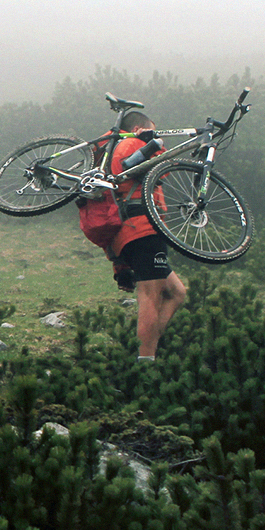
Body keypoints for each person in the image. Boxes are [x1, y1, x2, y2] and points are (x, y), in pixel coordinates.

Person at [75, 109, 187, 360]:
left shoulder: (106, 151)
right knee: (150, 296)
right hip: (143, 228)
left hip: (125, 233)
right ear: (139, 128)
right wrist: (150, 143)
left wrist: (119, 266)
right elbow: (160, 171)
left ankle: (146, 344)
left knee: (177, 293)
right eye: (151, 130)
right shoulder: (131, 144)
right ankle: (146, 361)